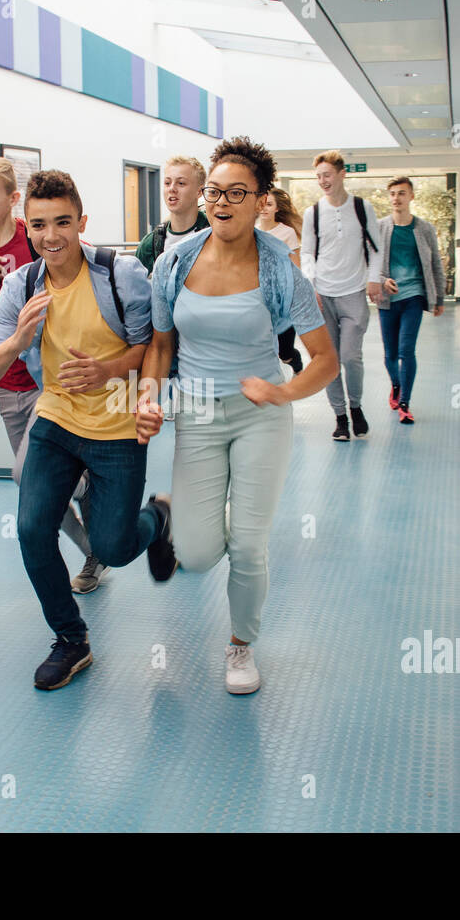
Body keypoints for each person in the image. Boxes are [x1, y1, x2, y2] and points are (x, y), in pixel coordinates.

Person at [137, 137, 338, 695]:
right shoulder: (172, 264)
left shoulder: (282, 272)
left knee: (248, 543)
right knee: (197, 554)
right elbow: (159, 344)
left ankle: (241, 645)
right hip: (197, 413)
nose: (222, 202)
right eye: (214, 192)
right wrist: (149, 396)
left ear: (260, 201)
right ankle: (190, 520)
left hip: (259, 413)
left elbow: (325, 360)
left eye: (236, 193)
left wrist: (285, 393)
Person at [0, 170, 176, 691]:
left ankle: (158, 519)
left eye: (63, 222)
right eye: (39, 225)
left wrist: (108, 371)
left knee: (114, 546)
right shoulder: (23, 286)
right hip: (56, 420)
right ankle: (71, 640)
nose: (51, 235)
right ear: (27, 227)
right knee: (33, 528)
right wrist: (18, 340)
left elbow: (149, 346)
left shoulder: (119, 274)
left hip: (116, 424)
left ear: (81, 223)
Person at [0, 158, 102, 593]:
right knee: (39, 480)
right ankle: (94, 547)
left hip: (54, 380)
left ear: (13, 200)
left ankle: (97, 512)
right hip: (10, 386)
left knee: (27, 475)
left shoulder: (38, 235)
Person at [300, 150, 392, 442]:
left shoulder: (363, 208)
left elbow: (376, 249)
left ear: (342, 174)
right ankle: (340, 416)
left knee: (351, 356)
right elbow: (306, 252)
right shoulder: (312, 213)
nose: (322, 181)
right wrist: (311, 284)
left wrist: (373, 280)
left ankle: (356, 407)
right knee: (329, 360)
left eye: (327, 175)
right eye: (318, 177)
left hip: (353, 293)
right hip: (322, 294)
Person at [372, 176, 446, 425]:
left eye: (402, 193)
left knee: (406, 350)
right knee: (390, 354)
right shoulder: (380, 227)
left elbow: (435, 262)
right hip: (387, 299)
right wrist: (382, 280)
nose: (396, 198)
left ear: (411, 196)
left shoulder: (424, 228)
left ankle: (405, 403)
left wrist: (439, 298)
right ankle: (396, 384)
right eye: (392, 193)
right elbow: (368, 263)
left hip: (414, 296)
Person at [256, 187, 306, 373]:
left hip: (283, 301)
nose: (265, 208)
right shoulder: (252, 232)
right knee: (264, 350)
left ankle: (296, 362)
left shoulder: (287, 233)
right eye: (262, 203)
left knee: (284, 353)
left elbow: (296, 268)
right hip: (259, 299)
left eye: (269, 204)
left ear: (277, 208)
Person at [133, 156, 210, 273]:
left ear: (199, 191)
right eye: (167, 183)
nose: (172, 189)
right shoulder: (151, 244)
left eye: (181, 183)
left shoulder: (214, 234)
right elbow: (135, 287)